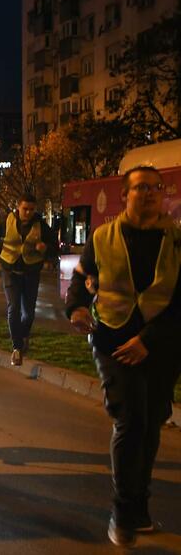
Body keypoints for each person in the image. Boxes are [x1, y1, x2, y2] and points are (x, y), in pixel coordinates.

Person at [66, 166, 181, 547]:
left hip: (161, 346)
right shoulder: (103, 237)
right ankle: (123, 512)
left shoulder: (176, 239)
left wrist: (149, 339)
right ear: (124, 195)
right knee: (131, 420)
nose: (149, 194)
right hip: (113, 343)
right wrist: (77, 309)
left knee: (152, 425)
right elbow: (80, 283)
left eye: (155, 188)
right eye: (140, 188)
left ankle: (140, 509)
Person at [0, 193, 57, 366]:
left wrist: (45, 248)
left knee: (29, 312)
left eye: (31, 209)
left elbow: (54, 245)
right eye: (25, 209)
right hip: (10, 269)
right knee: (13, 308)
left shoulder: (41, 225)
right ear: (18, 206)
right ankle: (17, 348)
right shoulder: (7, 221)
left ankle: (24, 335)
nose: (28, 212)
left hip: (31, 272)